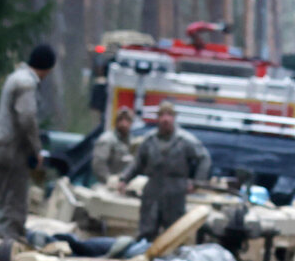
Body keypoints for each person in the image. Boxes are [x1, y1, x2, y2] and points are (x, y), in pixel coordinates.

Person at [0, 44, 56, 242]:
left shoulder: (15, 77)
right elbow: (26, 117)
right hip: (13, 148)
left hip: (0, 144)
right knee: (15, 197)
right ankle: (11, 241)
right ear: (47, 68)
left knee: (2, 198)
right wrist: (36, 149)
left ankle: (1, 238)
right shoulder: (27, 83)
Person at [129, 101, 212, 240]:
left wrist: (196, 182)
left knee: (174, 233)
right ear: (158, 118)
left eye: (169, 115)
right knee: (146, 231)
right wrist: (124, 179)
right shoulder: (149, 140)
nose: (165, 119)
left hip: (175, 190)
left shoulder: (185, 140)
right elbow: (137, 163)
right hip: (153, 188)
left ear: (174, 118)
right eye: (162, 115)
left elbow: (204, 158)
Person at [90, 105, 136, 186]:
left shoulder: (132, 141)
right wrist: (108, 180)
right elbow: (99, 163)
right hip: (108, 184)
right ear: (116, 121)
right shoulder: (107, 139)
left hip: (125, 184)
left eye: (127, 120)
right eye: (121, 119)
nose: (124, 123)